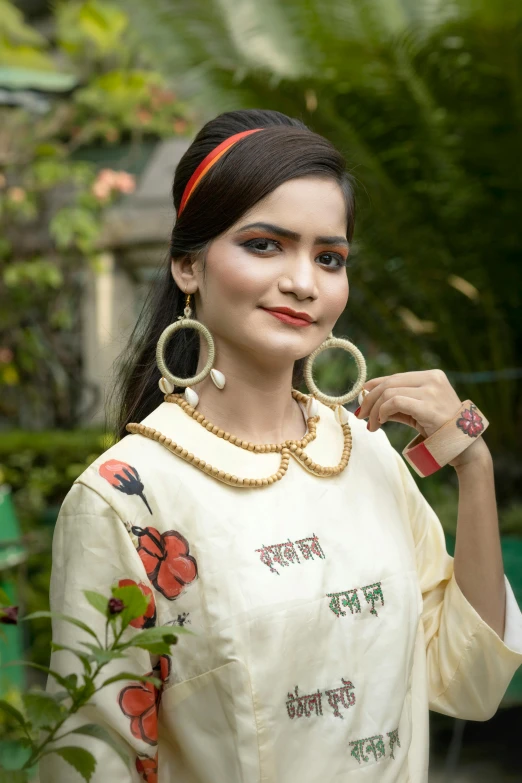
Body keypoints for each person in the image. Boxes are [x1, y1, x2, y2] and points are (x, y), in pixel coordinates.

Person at [42, 109, 522, 783]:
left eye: (329, 257)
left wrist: (472, 465)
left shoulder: (369, 453)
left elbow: (471, 680)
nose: (304, 281)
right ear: (188, 264)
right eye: (265, 244)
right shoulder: (127, 495)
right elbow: (94, 761)